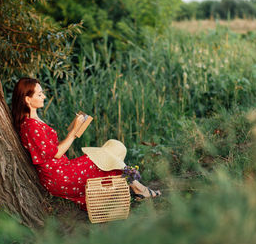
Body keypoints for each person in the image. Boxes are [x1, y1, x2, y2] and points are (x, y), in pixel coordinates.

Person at [11, 77, 161, 209]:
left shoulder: (34, 121)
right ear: (27, 99)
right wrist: (74, 132)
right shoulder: (30, 126)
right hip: (59, 177)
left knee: (113, 146)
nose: (44, 96)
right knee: (102, 157)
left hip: (63, 169)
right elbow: (56, 153)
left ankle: (134, 186)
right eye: (39, 94)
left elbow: (52, 149)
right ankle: (138, 188)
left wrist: (75, 129)